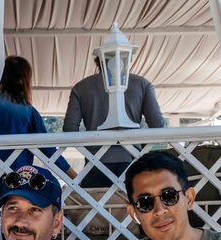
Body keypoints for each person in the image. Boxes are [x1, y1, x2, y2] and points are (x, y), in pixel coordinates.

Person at [0, 56, 77, 231]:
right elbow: (48, 149)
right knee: (16, 225)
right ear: (25, 80)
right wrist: (73, 175)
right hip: (15, 178)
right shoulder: (28, 112)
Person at [63, 57, 164, 188]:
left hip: (94, 161)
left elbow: (69, 130)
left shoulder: (81, 87)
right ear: (125, 60)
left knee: (96, 206)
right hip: (132, 159)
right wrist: (140, 145)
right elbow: (158, 126)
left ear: (97, 61)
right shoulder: (142, 84)